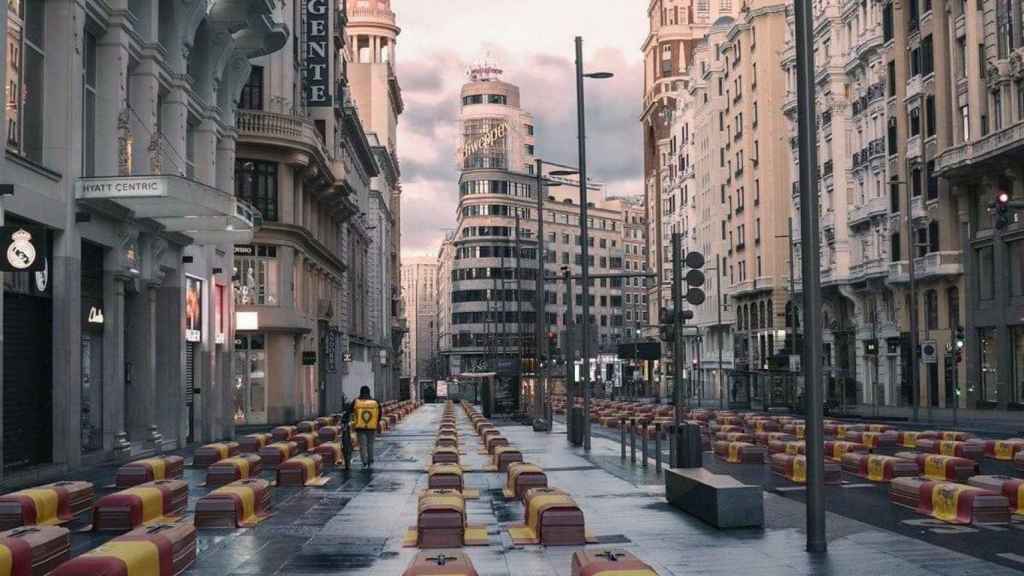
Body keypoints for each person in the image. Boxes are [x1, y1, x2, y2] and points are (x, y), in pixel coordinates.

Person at [345, 386, 380, 469]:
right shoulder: (375, 402)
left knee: (362, 445)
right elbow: (379, 413)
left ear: (360, 392)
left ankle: (364, 461)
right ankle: (370, 459)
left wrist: (346, 419)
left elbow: (349, 411)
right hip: (372, 427)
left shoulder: (356, 401)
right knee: (370, 444)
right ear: (369, 392)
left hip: (360, 427)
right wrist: (377, 423)